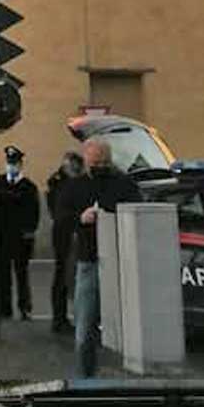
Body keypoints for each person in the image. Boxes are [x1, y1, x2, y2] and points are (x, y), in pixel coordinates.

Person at [60, 139, 142, 377]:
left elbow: (137, 210)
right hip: (89, 257)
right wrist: (81, 217)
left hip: (122, 259)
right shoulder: (75, 186)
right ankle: (85, 373)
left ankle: (126, 371)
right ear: (86, 161)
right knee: (85, 323)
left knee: (128, 324)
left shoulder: (124, 184)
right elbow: (61, 216)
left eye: (104, 162)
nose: (100, 167)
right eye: (96, 163)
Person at [0, 145, 40, 320]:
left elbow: (34, 212)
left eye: (15, 163)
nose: (12, 166)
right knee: (2, 275)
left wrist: (30, 232)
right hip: (1, 236)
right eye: (10, 163)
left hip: (20, 237)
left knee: (22, 274)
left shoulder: (29, 187)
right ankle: (3, 309)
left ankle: (25, 307)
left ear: (20, 164)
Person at [46, 151, 84, 333]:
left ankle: (62, 318)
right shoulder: (61, 183)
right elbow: (59, 211)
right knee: (63, 274)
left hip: (66, 232)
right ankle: (59, 318)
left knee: (65, 274)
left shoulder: (62, 182)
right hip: (65, 233)